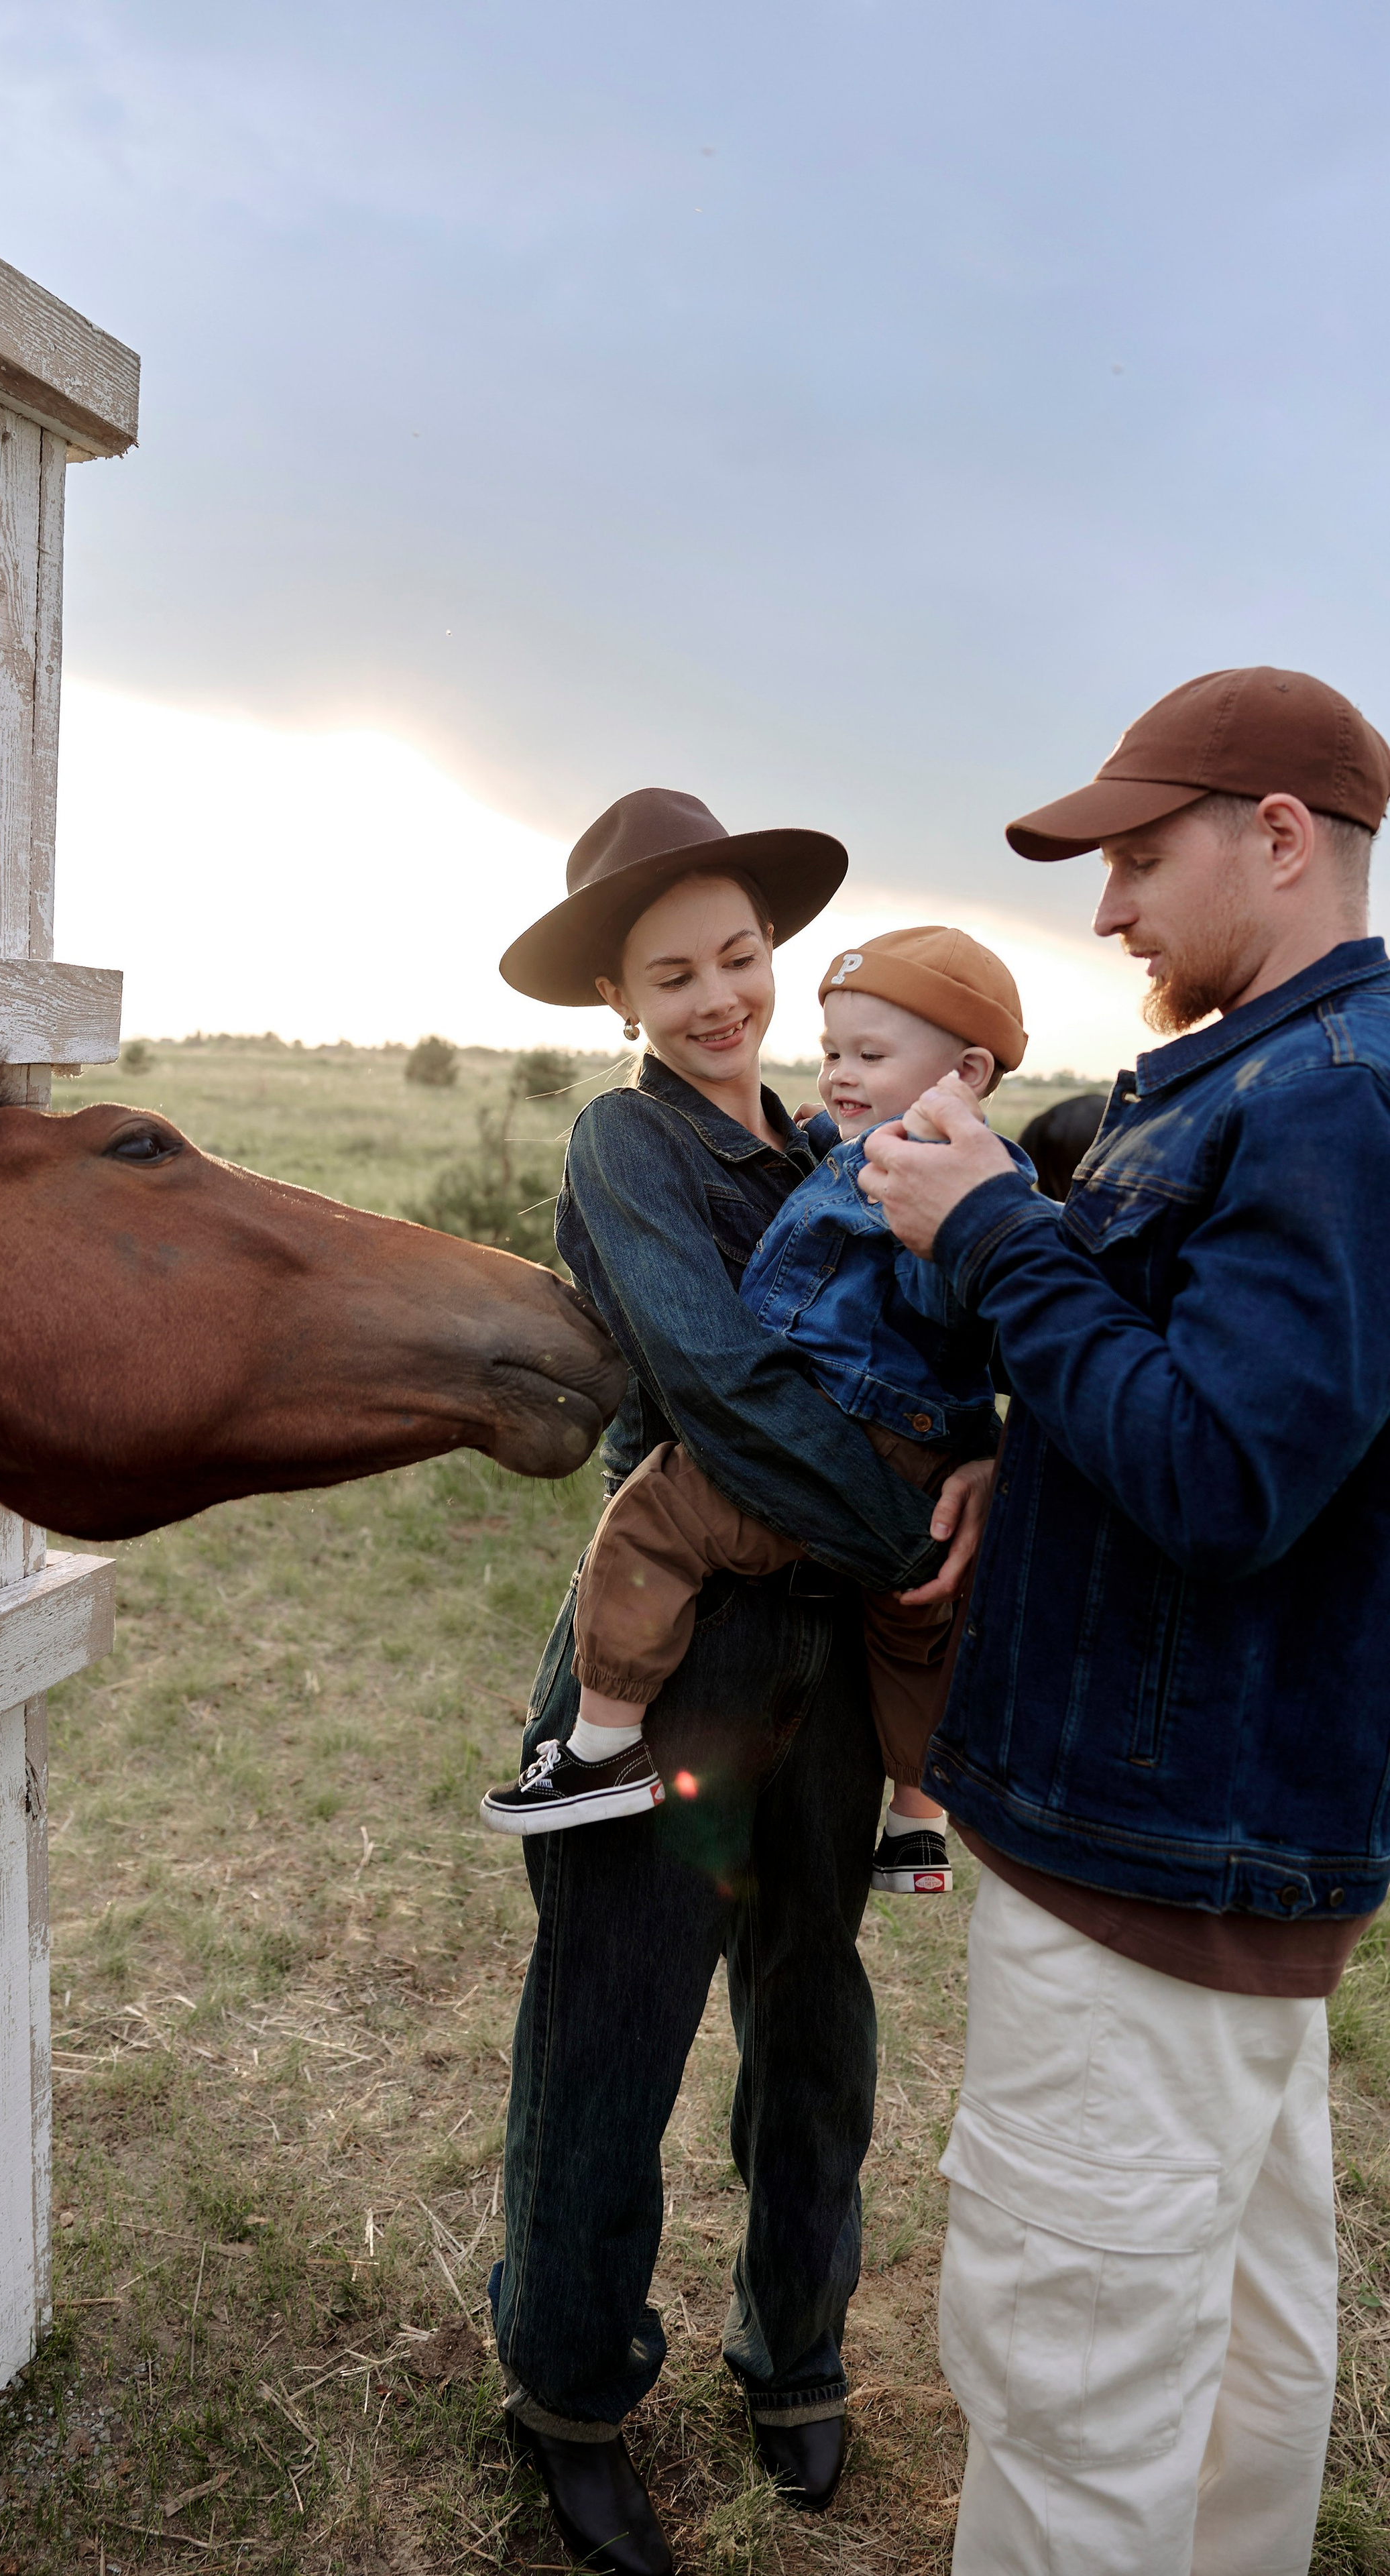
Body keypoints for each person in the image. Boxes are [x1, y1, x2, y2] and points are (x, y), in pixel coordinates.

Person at [859, 665, 1390, 2576]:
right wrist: (1037, 1451)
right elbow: (1211, 1408)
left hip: (1151, 1858)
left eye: (1138, 857)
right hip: (1219, 1847)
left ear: (1276, 837)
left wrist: (994, 1230)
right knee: (1236, 2371)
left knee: (1078, 2396)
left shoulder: (1329, 1102)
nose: (1104, 912)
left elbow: (1228, 1478)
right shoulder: (1285, 1074)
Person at [487, 789, 994, 2576]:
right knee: (612, 2038)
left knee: (814, 2018)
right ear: (620, 999)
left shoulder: (835, 1138)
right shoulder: (625, 1151)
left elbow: (944, 1341)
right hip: (684, 1657)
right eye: (674, 973)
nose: (721, 997)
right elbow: (718, 1388)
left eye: (741, 957)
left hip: (829, 1675)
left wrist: (985, 1460)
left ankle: (792, 2352)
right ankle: (566, 2393)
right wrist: (903, 1524)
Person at [480, 926, 1035, 1903]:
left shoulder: (938, 1175)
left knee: (654, 1518)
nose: (841, 1074)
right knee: (916, 1628)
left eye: (869, 1057)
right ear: (622, 995)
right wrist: (951, 1486)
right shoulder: (667, 1136)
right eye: (834, 1053)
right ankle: (918, 1818)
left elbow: (965, 1315)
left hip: (851, 1438)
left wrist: (961, 1473)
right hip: (895, 1462)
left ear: (969, 1070)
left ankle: (603, 1745)